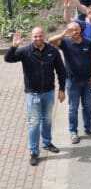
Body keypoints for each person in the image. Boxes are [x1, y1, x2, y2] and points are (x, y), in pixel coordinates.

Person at [6, 28, 66, 165]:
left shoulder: (53, 51)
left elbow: (61, 71)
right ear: (31, 37)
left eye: (40, 36)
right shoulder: (25, 51)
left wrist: (62, 89)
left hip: (49, 92)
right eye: (35, 36)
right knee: (34, 122)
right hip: (32, 94)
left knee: (48, 119)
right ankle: (33, 151)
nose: (38, 38)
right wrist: (14, 46)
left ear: (44, 36)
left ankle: (47, 143)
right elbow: (8, 59)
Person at [49, 20, 91, 143]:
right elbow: (50, 41)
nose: (74, 32)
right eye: (71, 30)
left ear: (80, 30)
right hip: (73, 82)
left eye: (75, 29)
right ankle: (73, 131)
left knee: (87, 106)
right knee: (73, 108)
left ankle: (88, 128)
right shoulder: (65, 43)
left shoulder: (88, 42)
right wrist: (64, 33)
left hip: (88, 81)